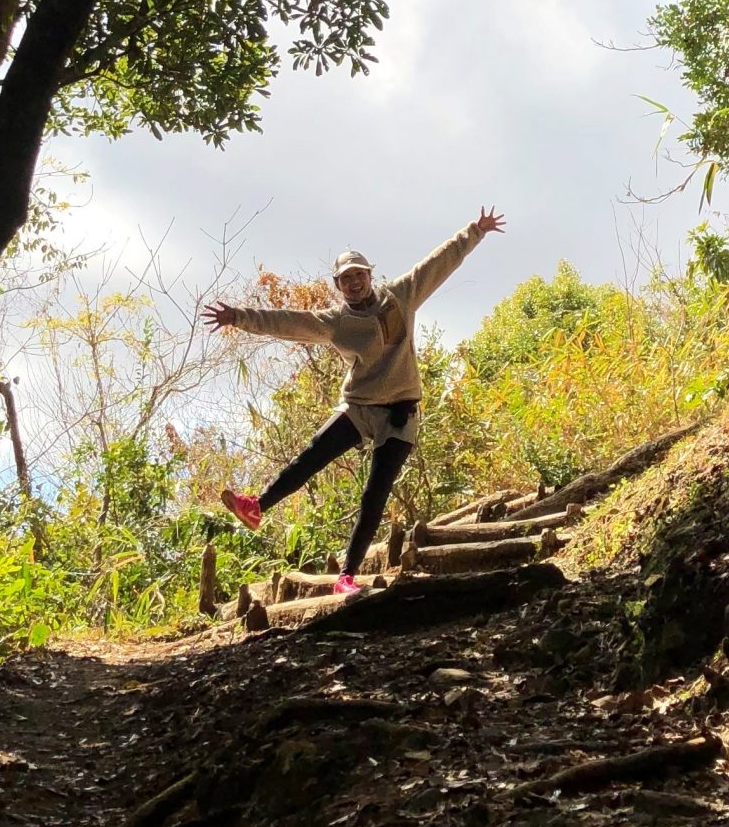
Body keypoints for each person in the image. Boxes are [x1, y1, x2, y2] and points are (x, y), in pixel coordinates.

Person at [204, 210, 506, 594]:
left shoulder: (400, 297)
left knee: (374, 494)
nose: (354, 283)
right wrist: (238, 316)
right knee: (312, 455)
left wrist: (475, 231)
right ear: (338, 285)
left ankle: (346, 575)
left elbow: (439, 261)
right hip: (360, 406)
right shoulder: (335, 323)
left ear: (369, 275)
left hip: (400, 411)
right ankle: (258, 505)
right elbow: (287, 321)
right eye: (346, 279)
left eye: (359, 275)